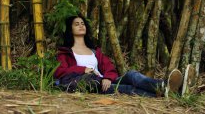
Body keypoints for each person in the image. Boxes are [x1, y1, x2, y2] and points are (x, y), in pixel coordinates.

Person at [54, 14, 184, 97]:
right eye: (76, 24)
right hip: (94, 85)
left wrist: (108, 77)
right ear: (70, 30)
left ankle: (163, 86)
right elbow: (60, 72)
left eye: (82, 23)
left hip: (105, 81)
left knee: (132, 74)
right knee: (128, 88)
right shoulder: (66, 52)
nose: (81, 26)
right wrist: (83, 69)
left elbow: (110, 68)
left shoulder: (94, 51)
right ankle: (168, 93)